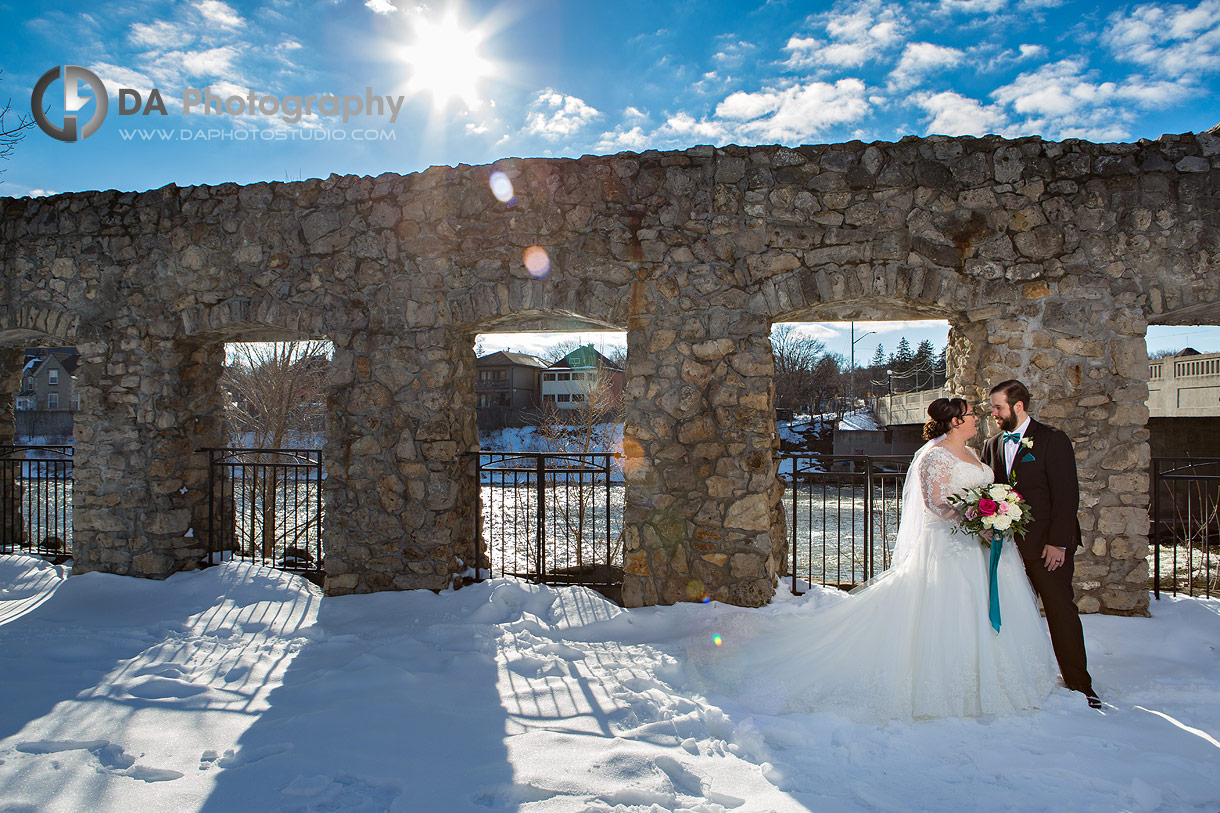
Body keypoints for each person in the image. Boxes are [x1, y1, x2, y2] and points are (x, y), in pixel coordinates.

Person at [695, 398, 1058, 721]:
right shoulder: (935, 455)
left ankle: (994, 676)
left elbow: (984, 491)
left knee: (981, 608)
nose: (976, 419)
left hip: (983, 546)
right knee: (951, 611)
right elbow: (934, 503)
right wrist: (976, 519)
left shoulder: (976, 453)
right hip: (950, 546)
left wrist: (996, 513)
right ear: (953, 422)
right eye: (968, 415)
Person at [980, 379, 1100, 710]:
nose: (994, 413)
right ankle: (1022, 679)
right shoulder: (991, 444)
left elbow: (1066, 495)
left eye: (998, 407)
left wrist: (1059, 543)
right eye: (993, 408)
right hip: (1008, 549)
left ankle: (1080, 682)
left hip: (1048, 548)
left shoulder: (1052, 440)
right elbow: (991, 493)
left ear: (1018, 406)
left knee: (1061, 611)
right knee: (1016, 614)